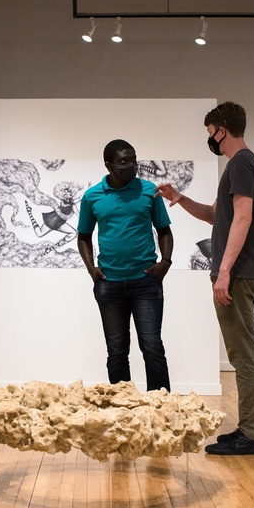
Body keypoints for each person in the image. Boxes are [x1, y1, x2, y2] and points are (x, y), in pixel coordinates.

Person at [156, 102, 254, 455]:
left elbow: (243, 218)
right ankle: (251, 429)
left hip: (236, 274)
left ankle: (251, 435)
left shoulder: (240, 163)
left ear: (222, 128)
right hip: (241, 272)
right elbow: (214, 215)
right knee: (243, 352)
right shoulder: (245, 166)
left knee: (243, 355)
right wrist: (180, 199)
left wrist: (224, 272)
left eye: (210, 133)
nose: (211, 140)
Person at [77, 139, 174, 392]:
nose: (130, 165)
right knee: (117, 351)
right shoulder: (92, 197)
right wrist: (91, 269)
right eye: (123, 161)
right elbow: (83, 236)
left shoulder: (148, 190)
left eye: (133, 159)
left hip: (146, 282)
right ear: (108, 165)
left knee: (152, 346)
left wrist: (165, 262)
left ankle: (161, 409)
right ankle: (125, 409)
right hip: (109, 285)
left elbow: (164, 230)